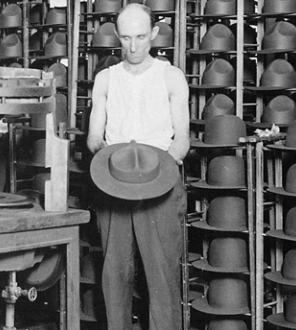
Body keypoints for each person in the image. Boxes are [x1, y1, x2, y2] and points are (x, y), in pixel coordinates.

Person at [86, 3, 190, 330]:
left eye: (141, 37)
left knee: (162, 276)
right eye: (127, 37)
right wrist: (106, 157)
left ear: (154, 35)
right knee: (114, 275)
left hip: (160, 182)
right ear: (117, 35)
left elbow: (182, 140)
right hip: (113, 182)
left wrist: (155, 170)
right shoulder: (105, 78)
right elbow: (92, 137)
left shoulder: (171, 77)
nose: (133, 46)